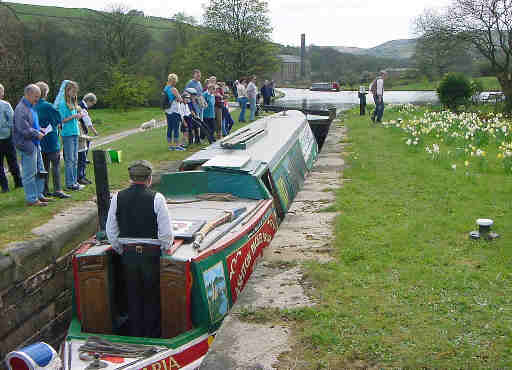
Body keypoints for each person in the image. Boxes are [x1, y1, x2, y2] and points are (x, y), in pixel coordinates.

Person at [106, 160, 174, 338]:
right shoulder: (157, 198)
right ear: (149, 179)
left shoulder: (117, 197)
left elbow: (111, 230)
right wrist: (165, 249)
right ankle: (152, 335)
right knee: (152, 296)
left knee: (133, 296)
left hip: (128, 255)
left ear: (130, 178)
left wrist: (121, 249)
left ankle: (136, 334)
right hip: (151, 255)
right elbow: (166, 233)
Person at [13, 84, 50, 207]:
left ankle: (39, 195)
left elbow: (33, 124)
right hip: (27, 145)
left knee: (40, 170)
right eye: (36, 96)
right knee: (29, 173)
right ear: (28, 94)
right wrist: (37, 133)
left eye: (38, 96)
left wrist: (41, 129)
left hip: (35, 144)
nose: (37, 99)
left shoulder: (31, 106)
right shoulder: (20, 109)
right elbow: (23, 129)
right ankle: (31, 199)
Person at [34, 81, 69, 199]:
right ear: (45, 93)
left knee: (43, 166)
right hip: (51, 139)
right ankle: (57, 189)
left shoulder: (33, 106)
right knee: (55, 165)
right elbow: (58, 120)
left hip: (39, 140)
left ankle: (44, 190)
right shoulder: (48, 106)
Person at [54, 80, 84, 191]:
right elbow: (62, 120)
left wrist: (79, 116)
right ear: (67, 91)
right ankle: (69, 183)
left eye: (76, 91)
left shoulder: (73, 103)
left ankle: (74, 182)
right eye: (73, 91)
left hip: (75, 133)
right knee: (70, 160)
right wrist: (74, 116)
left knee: (75, 159)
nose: (75, 93)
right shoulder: (63, 104)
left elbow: (75, 118)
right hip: (67, 134)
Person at [0, 83, 22, 193]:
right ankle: (14, 184)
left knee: (12, 161)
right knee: (12, 161)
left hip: (7, 137)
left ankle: (7, 186)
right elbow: (12, 120)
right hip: (7, 137)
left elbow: (12, 120)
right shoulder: (5, 105)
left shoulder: (5, 105)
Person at [77, 93, 98, 185]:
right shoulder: (81, 106)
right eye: (92, 104)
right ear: (89, 101)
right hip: (80, 132)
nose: (91, 106)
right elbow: (86, 120)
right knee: (82, 154)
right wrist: (93, 130)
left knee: (82, 154)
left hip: (81, 131)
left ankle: (81, 175)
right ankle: (80, 176)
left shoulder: (81, 106)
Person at [163, 74, 184, 151]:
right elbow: (180, 99)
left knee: (169, 127)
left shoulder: (165, 88)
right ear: (174, 81)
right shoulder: (173, 89)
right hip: (174, 110)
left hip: (167, 110)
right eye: (175, 81)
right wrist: (180, 97)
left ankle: (170, 146)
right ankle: (176, 146)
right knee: (176, 128)